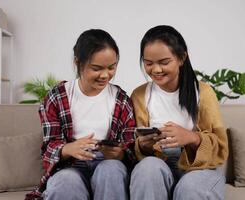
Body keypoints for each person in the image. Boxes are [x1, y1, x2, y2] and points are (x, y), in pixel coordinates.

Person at [26, 29, 137, 200]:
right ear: (78, 62)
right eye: (96, 68)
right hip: (71, 165)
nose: (105, 75)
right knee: (65, 181)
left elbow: (130, 146)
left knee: (111, 171)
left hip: (108, 163)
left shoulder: (121, 99)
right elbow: (49, 147)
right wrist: (67, 148)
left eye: (112, 67)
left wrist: (119, 154)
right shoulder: (57, 96)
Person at [129, 25, 229, 200]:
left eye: (164, 62)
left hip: (201, 168)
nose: (156, 70)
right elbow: (134, 147)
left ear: (182, 58)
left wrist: (192, 138)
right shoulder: (139, 95)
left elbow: (221, 148)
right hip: (161, 164)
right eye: (148, 63)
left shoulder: (204, 93)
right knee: (147, 169)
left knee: (189, 187)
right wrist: (143, 145)